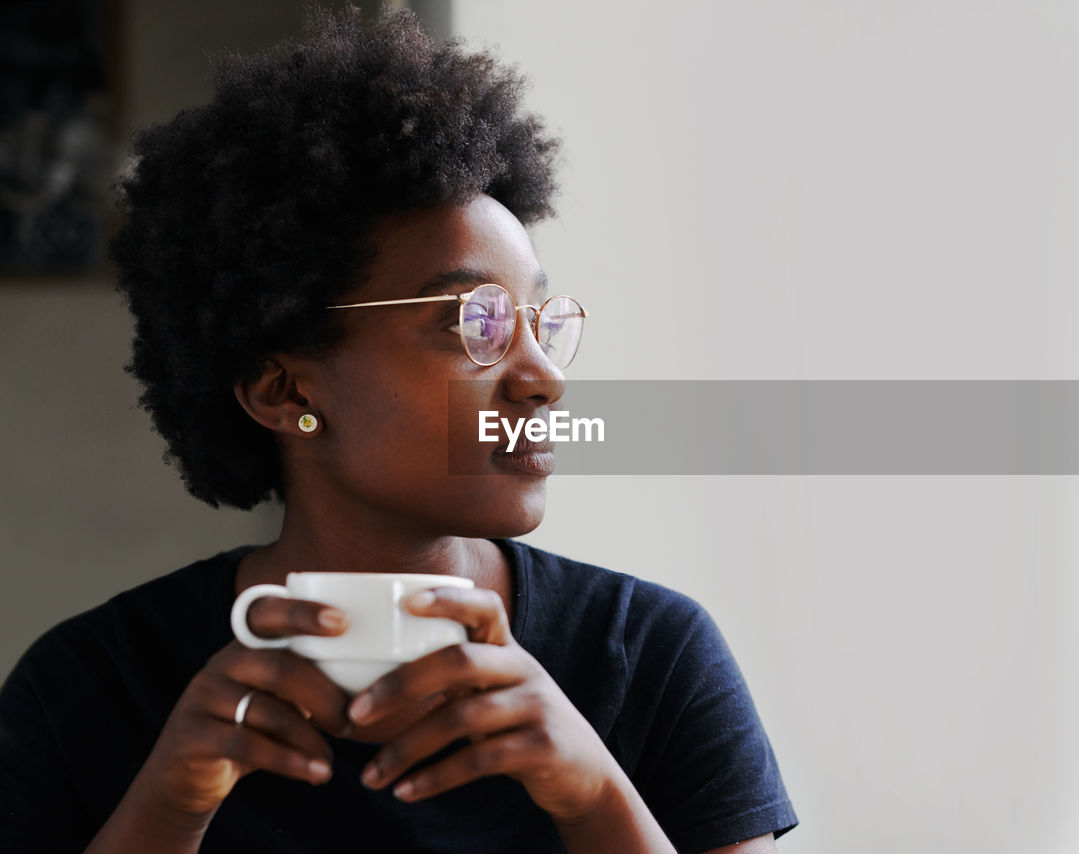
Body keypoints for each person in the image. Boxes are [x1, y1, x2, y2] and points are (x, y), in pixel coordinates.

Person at [0, 8, 796, 853]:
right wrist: (169, 806)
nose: (544, 377)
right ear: (282, 389)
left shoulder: (650, 657)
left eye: (537, 318)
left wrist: (595, 795)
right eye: (473, 323)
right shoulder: (91, 687)